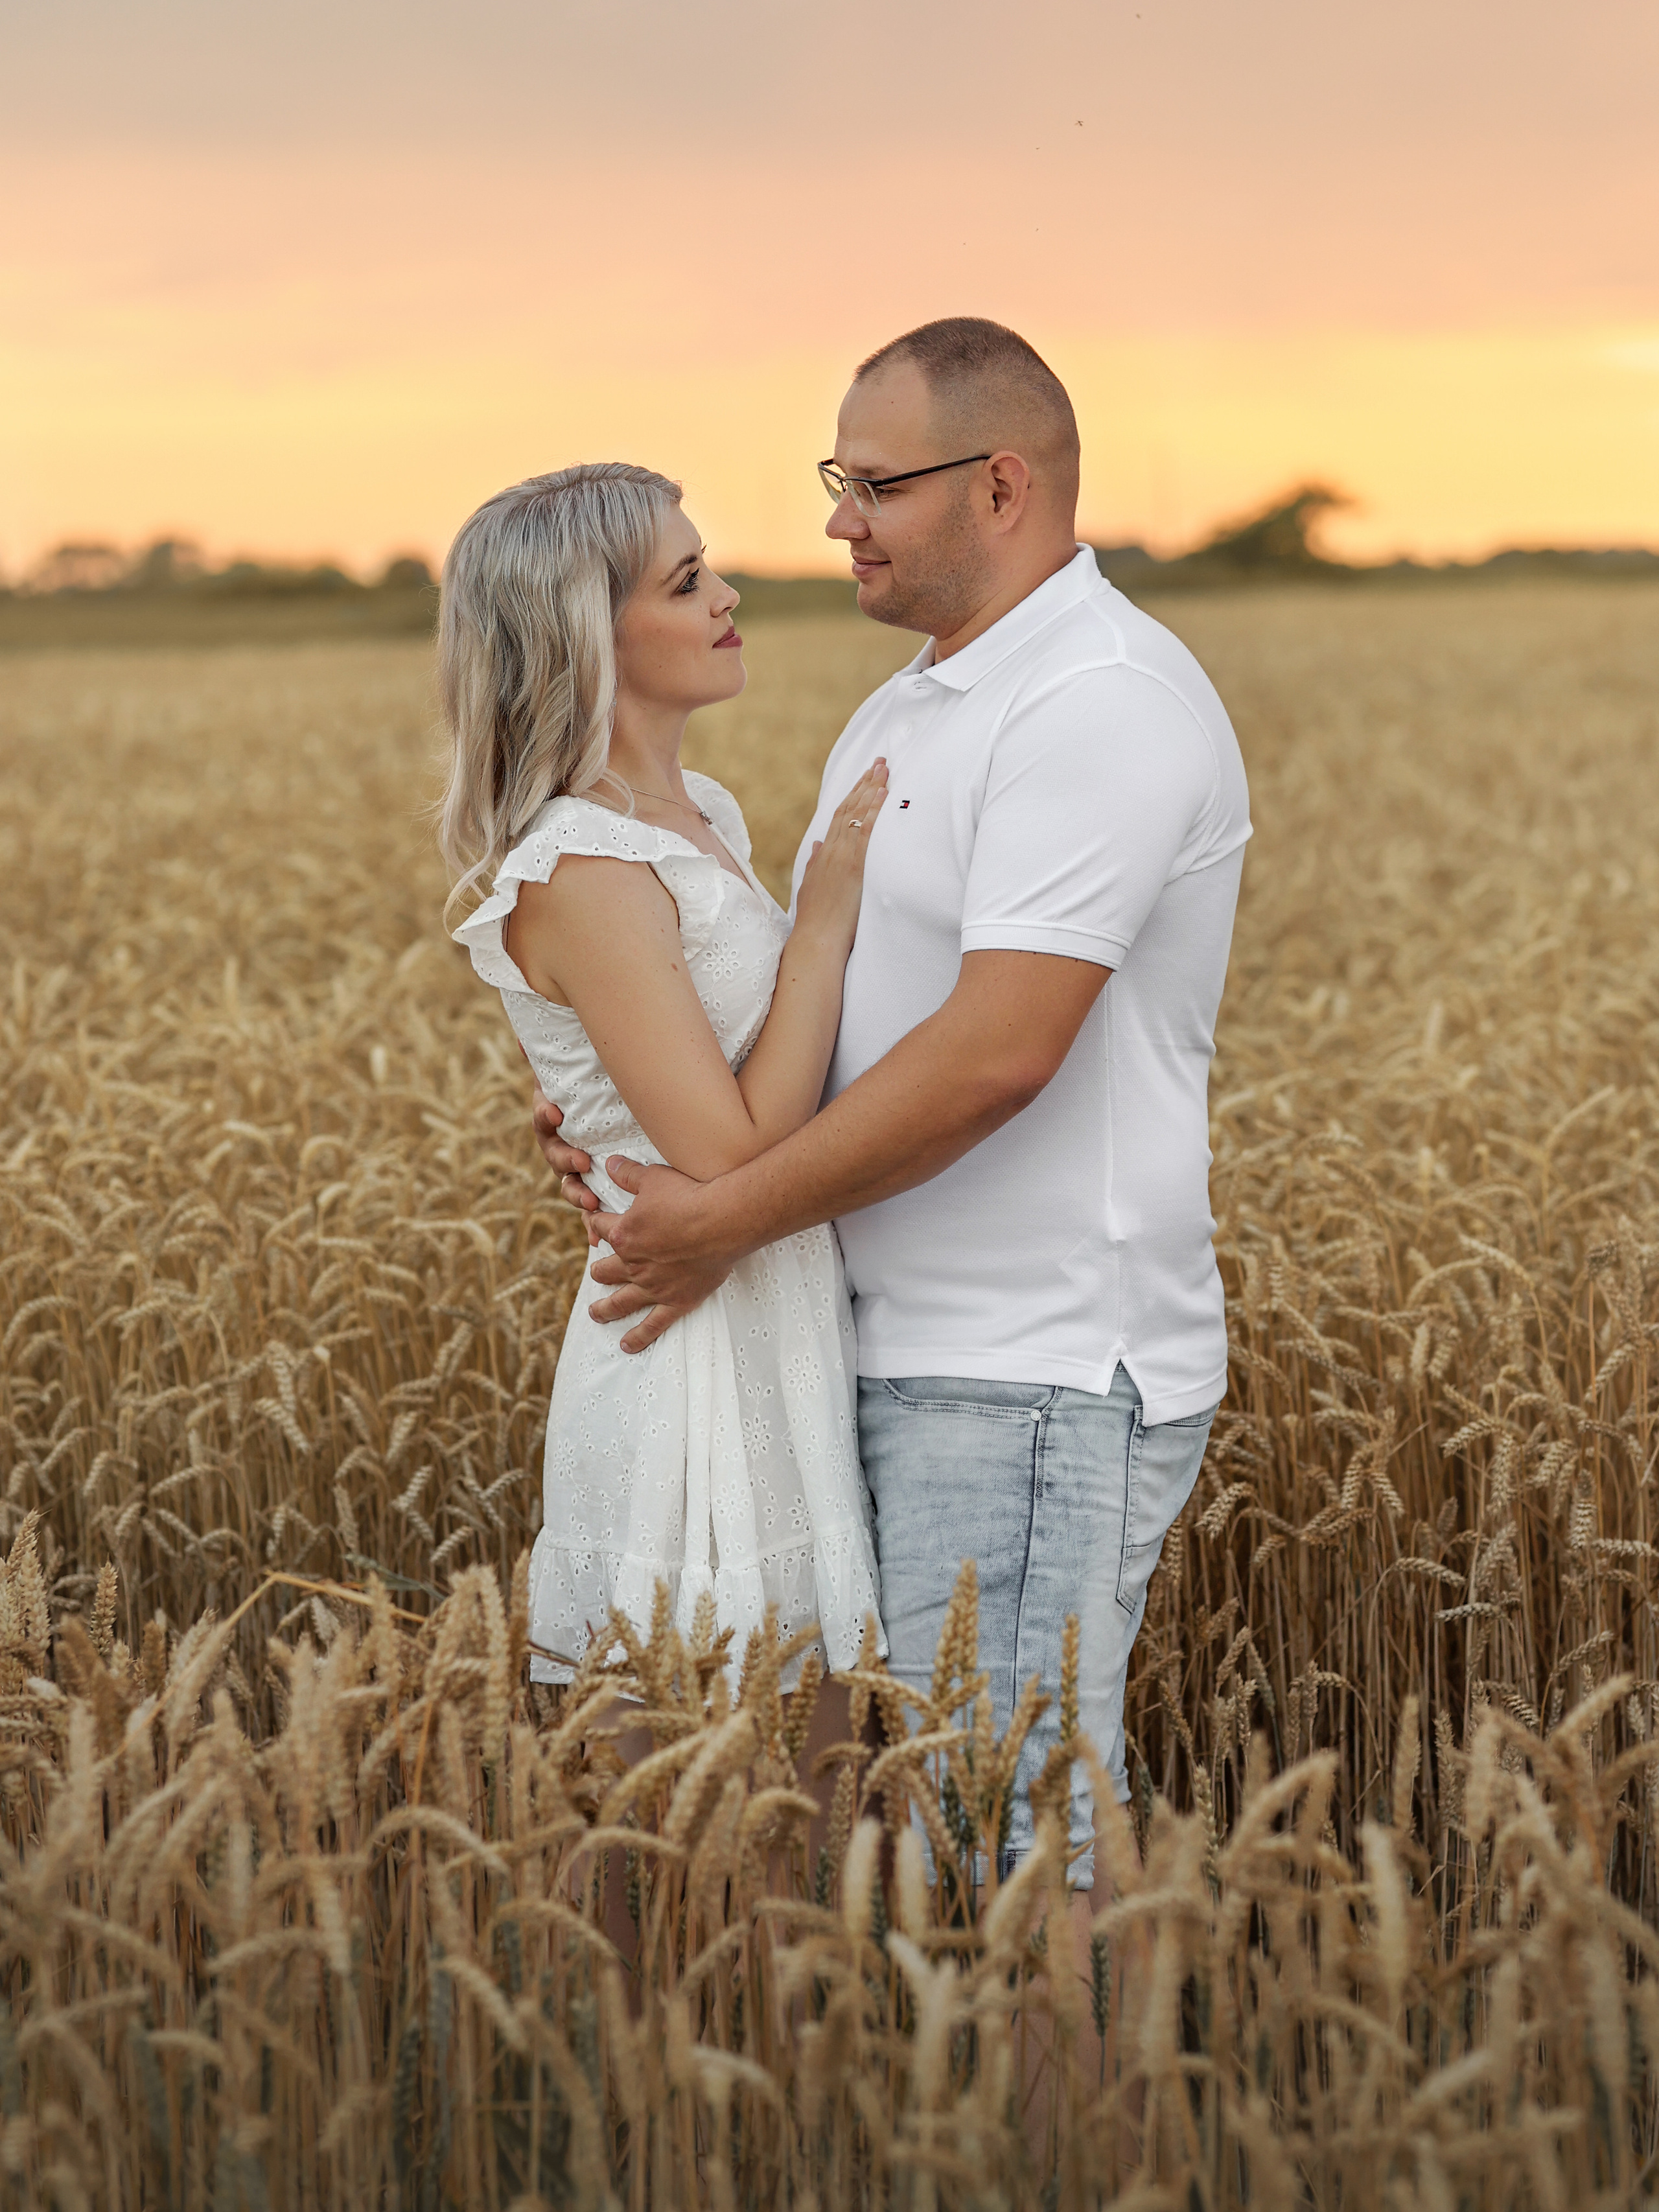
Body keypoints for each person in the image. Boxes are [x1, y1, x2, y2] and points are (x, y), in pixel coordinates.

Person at [535, 320, 1252, 1885]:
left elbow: (1000, 1047)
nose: (834, 519)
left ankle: (1080, 2143)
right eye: (832, 480)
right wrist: (638, 1126)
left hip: (1030, 1368)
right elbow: (847, 1007)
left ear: (998, 487)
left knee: (1014, 1852)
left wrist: (716, 1217)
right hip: (870, 1356)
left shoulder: (1096, 699)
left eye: (872, 483)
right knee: (938, 1855)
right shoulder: (913, 707)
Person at [438, 461, 885, 1684]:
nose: (729, 594)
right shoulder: (583, 866)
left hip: (771, 1317)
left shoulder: (703, 819)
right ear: (590, 637)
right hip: (687, 1357)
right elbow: (731, 1156)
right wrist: (826, 921)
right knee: (696, 1818)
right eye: (688, 582)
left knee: (810, 1806)